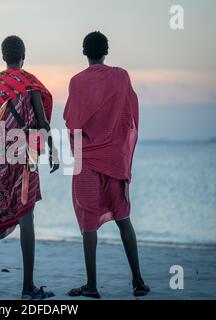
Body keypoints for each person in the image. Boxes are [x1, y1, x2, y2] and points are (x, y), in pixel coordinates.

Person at [63, 31, 150, 298]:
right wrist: (121, 153)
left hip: (86, 161)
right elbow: (129, 116)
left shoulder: (76, 82)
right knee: (124, 219)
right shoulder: (121, 76)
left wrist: (76, 160)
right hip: (114, 161)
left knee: (88, 224)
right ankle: (137, 282)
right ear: (107, 51)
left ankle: (91, 285)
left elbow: (71, 122)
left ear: (83, 52)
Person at [0, 35, 59, 300]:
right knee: (26, 219)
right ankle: (27, 288)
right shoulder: (30, 83)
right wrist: (52, 151)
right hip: (25, 156)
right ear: (23, 56)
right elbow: (42, 123)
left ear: (4, 57)